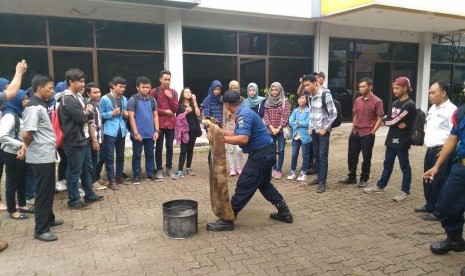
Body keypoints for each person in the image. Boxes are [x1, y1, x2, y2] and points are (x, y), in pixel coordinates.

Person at [206, 90, 294, 231]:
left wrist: (218, 138)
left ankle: (228, 219)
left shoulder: (243, 115)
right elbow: (237, 133)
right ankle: (284, 212)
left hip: (261, 155)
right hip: (266, 152)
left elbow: (243, 139)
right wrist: (217, 131)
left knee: (244, 184)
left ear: (227, 104)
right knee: (264, 184)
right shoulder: (244, 111)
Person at [21, 74, 63, 242]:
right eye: (49, 88)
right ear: (39, 88)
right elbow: (27, 133)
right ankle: (41, 229)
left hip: (45, 154)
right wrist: (27, 147)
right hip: (40, 156)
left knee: (48, 188)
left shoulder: (41, 104)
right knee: (43, 192)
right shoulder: (33, 107)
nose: (52, 91)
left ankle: (49, 218)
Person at [363, 77, 416, 202]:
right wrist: (391, 121)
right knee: (387, 163)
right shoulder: (395, 103)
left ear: (405, 88)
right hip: (391, 138)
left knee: (404, 165)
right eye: (394, 88)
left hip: (402, 140)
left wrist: (391, 121)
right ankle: (380, 186)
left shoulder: (409, 105)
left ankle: (405, 191)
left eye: (397, 88)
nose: (394, 90)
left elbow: (392, 120)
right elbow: (387, 120)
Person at [424, 101, 465, 255]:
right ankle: (454, 240)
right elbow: (452, 139)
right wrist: (436, 166)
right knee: (446, 204)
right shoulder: (461, 112)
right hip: (461, 167)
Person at [60, 69, 104, 209]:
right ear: (71, 82)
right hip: (73, 140)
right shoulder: (68, 99)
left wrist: (86, 112)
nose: (83, 84)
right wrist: (87, 112)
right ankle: (73, 200)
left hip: (83, 138)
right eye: (80, 81)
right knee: (74, 171)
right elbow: (81, 118)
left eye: (84, 81)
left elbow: (87, 116)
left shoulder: (78, 97)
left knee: (87, 168)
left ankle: (89, 195)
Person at [415, 81, 456, 219]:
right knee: (428, 178)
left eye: (433, 92)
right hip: (430, 150)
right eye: (429, 93)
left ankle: (439, 211)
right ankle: (430, 204)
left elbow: (455, 135)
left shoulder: (451, 110)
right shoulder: (433, 108)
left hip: (441, 151)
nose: (430, 95)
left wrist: (447, 150)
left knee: (439, 180)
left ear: (443, 93)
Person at [338, 78, 384, 188]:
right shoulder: (358, 100)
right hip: (355, 132)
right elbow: (355, 115)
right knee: (352, 156)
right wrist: (353, 127)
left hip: (367, 133)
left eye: (363, 86)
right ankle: (351, 177)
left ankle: (364, 179)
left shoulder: (377, 101)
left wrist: (373, 131)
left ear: (370, 87)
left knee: (366, 157)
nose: (361, 89)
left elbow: (380, 118)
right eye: (360, 87)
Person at [0, 90, 33, 219]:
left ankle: (22, 204)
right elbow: (2, 136)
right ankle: (12, 210)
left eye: (27, 98)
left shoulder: (20, 114)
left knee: (22, 178)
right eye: (24, 99)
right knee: (12, 181)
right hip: (11, 153)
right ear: (16, 101)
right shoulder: (10, 116)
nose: (27, 101)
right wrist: (20, 145)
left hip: (23, 152)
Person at [303, 74, 337, 193]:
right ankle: (318, 177)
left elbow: (333, 113)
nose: (306, 87)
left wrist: (325, 128)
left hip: (323, 131)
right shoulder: (309, 96)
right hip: (314, 130)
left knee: (322, 156)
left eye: (308, 85)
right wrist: (310, 126)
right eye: (305, 85)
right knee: (316, 155)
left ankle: (322, 182)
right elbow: (311, 112)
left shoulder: (325, 94)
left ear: (315, 83)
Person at [127, 76, 160, 184]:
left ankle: (150, 174)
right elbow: (131, 117)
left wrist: (157, 131)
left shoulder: (152, 99)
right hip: (138, 134)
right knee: (137, 154)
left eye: (148, 87)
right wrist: (136, 133)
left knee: (150, 154)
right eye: (143, 87)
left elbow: (155, 116)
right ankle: (136, 175)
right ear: (138, 87)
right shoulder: (133, 100)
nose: (146, 89)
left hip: (150, 134)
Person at [100, 76, 129, 190]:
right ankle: (111, 179)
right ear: (113, 86)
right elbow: (100, 114)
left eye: (124, 87)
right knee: (109, 156)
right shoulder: (105, 99)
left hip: (121, 130)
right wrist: (111, 113)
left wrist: (125, 114)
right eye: (120, 86)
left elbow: (124, 113)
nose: (122, 89)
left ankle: (119, 176)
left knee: (121, 155)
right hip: (109, 130)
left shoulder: (124, 99)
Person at [151, 70, 179, 180]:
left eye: (169, 79)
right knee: (158, 147)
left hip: (171, 124)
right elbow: (152, 109)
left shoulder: (174, 92)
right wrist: (164, 111)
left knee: (169, 147)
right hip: (159, 124)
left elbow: (176, 109)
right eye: (165, 79)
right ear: (160, 79)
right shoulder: (154, 92)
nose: (167, 81)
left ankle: (169, 168)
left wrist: (170, 97)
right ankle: (159, 169)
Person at [173, 87, 201, 179]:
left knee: (190, 149)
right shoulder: (180, 106)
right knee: (183, 150)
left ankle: (188, 167)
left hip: (193, 129)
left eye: (189, 92)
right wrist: (186, 112)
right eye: (186, 92)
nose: (188, 93)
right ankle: (180, 170)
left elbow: (198, 114)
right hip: (184, 131)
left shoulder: (193, 105)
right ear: (183, 94)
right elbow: (178, 118)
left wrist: (195, 101)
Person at [264, 82, 290, 180]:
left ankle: (279, 170)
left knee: (281, 150)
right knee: (272, 151)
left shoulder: (284, 102)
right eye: (273, 90)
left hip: (281, 131)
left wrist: (278, 128)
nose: (274, 92)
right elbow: (266, 117)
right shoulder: (267, 102)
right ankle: (273, 168)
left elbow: (286, 116)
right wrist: (271, 128)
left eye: (276, 90)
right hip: (270, 131)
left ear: (280, 90)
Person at [84, 82, 107, 190]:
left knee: (98, 160)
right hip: (93, 138)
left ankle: (96, 178)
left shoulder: (97, 104)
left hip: (99, 137)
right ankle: (93, 182)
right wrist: (94, 140)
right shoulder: (89, 105)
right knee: (93, 161)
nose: (98, 94)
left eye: (99, 92)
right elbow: (90, 125)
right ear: (88, 94)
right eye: (95, 92)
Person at [287, 94, 311, 181]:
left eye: (303, 98)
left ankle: (303, 172)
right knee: (294, 154)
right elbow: (290, 121)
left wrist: (298, 122)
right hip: (296, 135)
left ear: (307, 101)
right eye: (299, 98)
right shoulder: (295, 110)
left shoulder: (309, 111)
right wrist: (299, 123)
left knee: (305, 155)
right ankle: (292, 171)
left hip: (305, 136)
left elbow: (308, 123)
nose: (300, 100)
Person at [224, 81, 243, 176]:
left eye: (236, 87)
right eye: (232, 87)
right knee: (230, 149)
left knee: (239, 150)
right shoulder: (226, 102)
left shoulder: (242, 100)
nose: (234, 89)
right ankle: (231, 168)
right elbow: (224, 119)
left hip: (239, 128)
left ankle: (239, 167)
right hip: (229, 128)